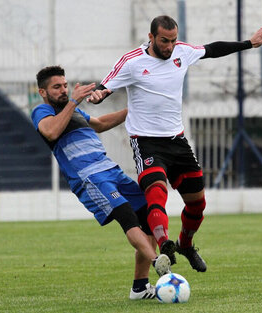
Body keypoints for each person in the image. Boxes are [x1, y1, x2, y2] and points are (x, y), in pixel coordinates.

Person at [87, 15, 262, 273]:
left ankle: (185, 244)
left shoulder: (182, 52)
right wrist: (96, 95)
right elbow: (105, 87)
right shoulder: (131, 62)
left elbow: (212, 49)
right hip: (147, 142)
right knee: (156, 192)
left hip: (178, 142)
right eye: (164, 41)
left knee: (197, 203)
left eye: (173, 40)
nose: (169, 46)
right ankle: (165, 245)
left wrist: (248, 44)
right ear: (151, 37)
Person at [31, 65, 171, 300]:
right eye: (57, 87)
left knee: (148, 215)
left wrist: (134, 108)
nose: (63, 90)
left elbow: (101, 123)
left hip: (110, 169)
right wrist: (73, 102)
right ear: (43, 92)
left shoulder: (71, 110)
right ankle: (159, 263)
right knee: (127, 216)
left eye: (65, 85)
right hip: (89, 176)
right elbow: (52, 132)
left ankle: (139, 287)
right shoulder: (42, 111)